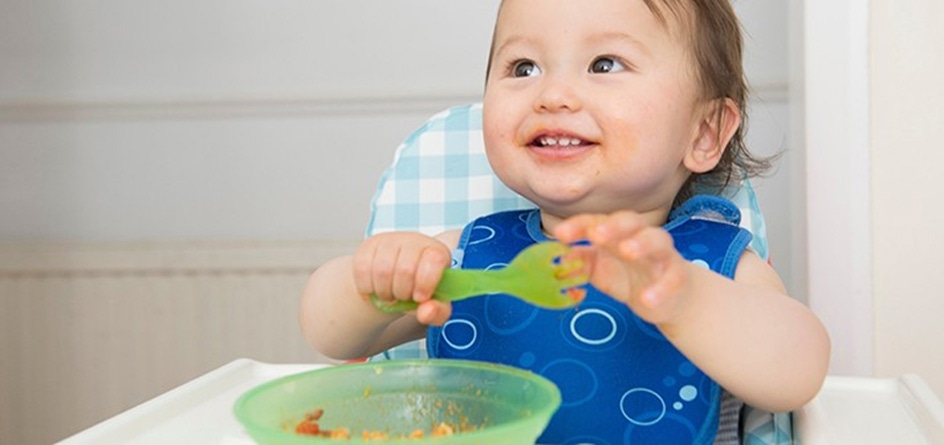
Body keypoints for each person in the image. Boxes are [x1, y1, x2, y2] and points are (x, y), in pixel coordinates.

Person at [300, 0, 830, 443]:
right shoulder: (469, 255)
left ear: (705, 132)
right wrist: (375, 282)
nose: (551, 95)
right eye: (523, 67)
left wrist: (685, 300)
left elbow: (798, 372)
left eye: (604, 64)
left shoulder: (712, 267)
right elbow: (330, 333)